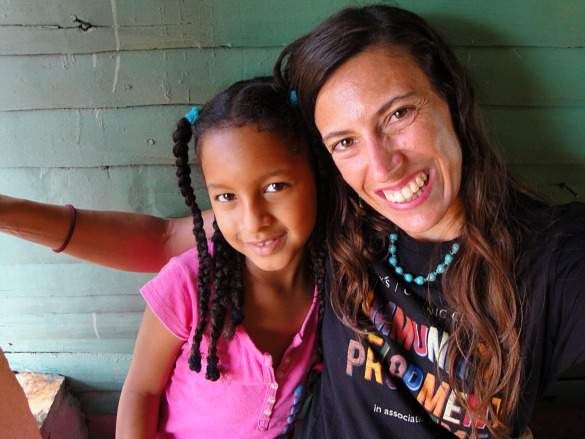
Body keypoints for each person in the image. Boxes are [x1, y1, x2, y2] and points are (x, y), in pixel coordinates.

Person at [271, 4, 585, 438]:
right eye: (345, 142)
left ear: (450, 97)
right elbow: (204, 225)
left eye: (398, 114)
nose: (383, 168)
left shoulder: (552, 258)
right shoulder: (337, 218)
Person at [114, 77, 325, 438]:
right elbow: (141, 392)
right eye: (227, 197)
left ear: (316, 174)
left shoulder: (332, 284)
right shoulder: (189, 284)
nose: (253, 221)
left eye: (274, 187)